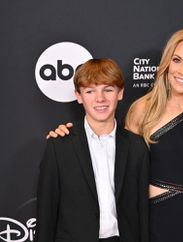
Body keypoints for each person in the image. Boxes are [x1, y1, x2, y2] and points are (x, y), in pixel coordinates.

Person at [47, 28, 183, 242]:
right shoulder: (143, 110)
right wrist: (69, 136)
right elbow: (119, 168)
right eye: (177, 60)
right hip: (161, 222)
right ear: (167, 64)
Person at [36, 58, 149, 242]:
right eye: (90, 91)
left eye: (108, 89)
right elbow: (46, 213)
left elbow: (142, 211)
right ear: (79, 96)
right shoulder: (59, 146)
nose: (100, 99)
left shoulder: (137, 147)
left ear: (120, 93)